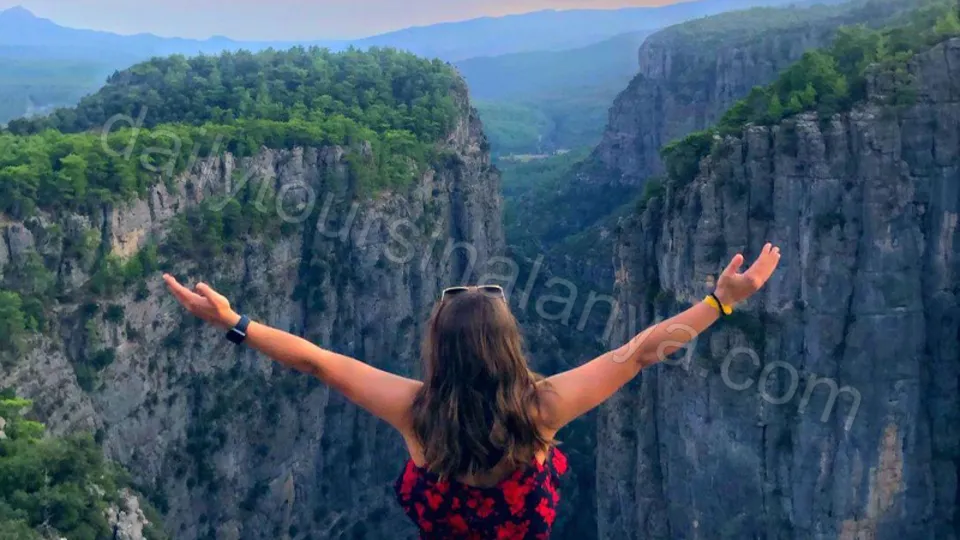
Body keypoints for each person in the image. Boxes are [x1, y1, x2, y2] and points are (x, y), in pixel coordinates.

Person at [163, 243, 781, 539]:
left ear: (440, 348)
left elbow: (321, 364)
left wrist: (233, 322)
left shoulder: (416, 413)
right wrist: (721, 301)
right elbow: (643, 351)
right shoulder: (543, 410)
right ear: (508, 346)